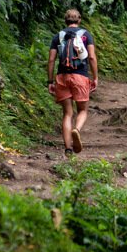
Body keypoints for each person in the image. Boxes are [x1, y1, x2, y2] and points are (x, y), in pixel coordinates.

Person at [47, 8, 98, 156]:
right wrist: (95, 77)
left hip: (62, 77)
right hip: (80, 77)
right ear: (79, 20)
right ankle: (77, 129)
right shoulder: (86, 35)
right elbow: (92, 57)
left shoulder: (58, 36)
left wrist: (50, 81)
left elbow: (51, 60)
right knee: (82, 110)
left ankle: (68, 148)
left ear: (66, 21)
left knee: (67, 113)